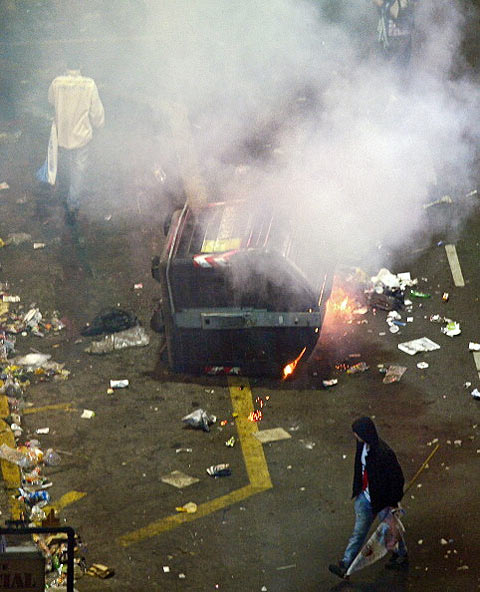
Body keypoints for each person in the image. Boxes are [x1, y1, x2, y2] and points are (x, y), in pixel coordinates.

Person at [328, 416, 408, 579]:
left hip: (382, 502)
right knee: (359, 532)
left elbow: (397, 479)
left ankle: (401, 554)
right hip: (366, 498)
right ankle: (346, 563)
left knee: (391, 531)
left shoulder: (384, 454)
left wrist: (393, 503)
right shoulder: (362, 445)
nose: (355, 436)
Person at [48, 59, 105, 224]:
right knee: (78, 170)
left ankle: (65, 196)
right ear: (81, 65)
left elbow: (51, 100)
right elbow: (97, 113)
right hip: (81, 138)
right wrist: (99, 125)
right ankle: (72, 203)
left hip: (62, 136)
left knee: (65, 166)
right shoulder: (89, 85)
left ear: (66, 65)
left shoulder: (57, 83)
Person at [373, 0, 416, 68]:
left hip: (405, 31)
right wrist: (386, 6)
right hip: (389, 32)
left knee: (403, 65)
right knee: (389, 66)